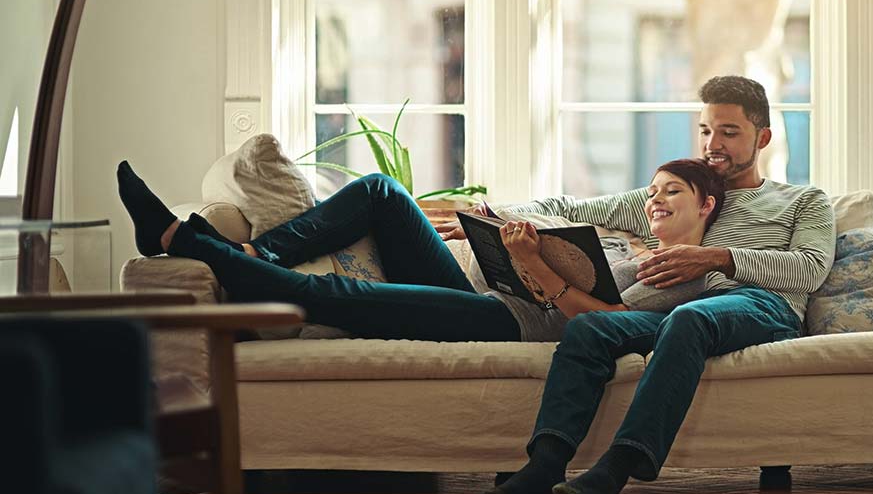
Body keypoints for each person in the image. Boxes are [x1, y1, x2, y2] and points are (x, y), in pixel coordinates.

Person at [475, 75, 835, 494]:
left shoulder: (803, 200)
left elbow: (811, 267)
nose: (712, 143)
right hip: (680, 312)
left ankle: (617, 467)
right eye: (706, 130)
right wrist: (494, 219)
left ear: (763, 137)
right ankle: (544, 467)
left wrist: (715, 257)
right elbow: (567, 209)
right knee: (591, 327)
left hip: (762, 305)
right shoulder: (681, 192)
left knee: (691, 319)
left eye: (728, 132)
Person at [114, 157, 725, 343]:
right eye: (652, 191)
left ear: (707, 207)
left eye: (672, 192)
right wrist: (507, 241)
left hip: (514, 324)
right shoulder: (624, 239)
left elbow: (613, 326)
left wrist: (537, 267)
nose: (655, 200)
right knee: (381, 192)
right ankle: (258, 257)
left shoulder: (689, 278)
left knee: (345, 296)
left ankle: (183, 239)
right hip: (493, 294)